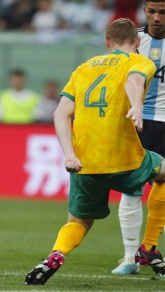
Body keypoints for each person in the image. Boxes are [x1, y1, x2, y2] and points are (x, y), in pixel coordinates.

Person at [24, 18, 165, 285]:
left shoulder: (83, 68)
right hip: (126, 159)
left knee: (78, 221)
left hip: (84, 163)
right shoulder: (139, 61)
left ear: (106, 41)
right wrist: (136, 104)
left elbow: (61, 113)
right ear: (137, 42)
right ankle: (148, 246)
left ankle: (57, 253)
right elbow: (133, 81)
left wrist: (69, 154)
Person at [112, 0, 165, 275]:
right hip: (138, 122)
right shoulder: (133, 41)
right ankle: (129, 256)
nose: (156, 18)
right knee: (132, 186)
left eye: (163, 12)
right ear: (144, 11)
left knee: (163, 181)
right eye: (151, 11)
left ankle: (149, 245)